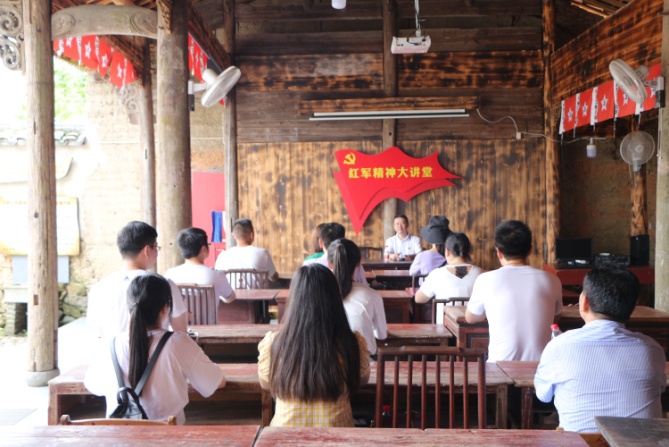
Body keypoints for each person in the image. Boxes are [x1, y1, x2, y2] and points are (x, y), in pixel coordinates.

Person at [534, 268, 666, 433]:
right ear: (632, 308)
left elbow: (543, 396)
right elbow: (660, 388)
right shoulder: (652, 349)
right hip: (641, 442)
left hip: (580, 443)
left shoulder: (559, 346)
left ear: (584, 302)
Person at [85, 274, 225, 425]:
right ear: (164, 309)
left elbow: (93, 385)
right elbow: (214, 383)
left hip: (119, 436)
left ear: (129, 309)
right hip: (167, 436)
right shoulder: (178, 343)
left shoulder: (111, 345)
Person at [258, 264, 370, 427]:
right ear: (335, 299)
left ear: (294, 300)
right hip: (338, 435)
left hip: (285, 435)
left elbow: (265, 384)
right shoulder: (352, 342)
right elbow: (362, 379)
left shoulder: (273, 342)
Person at [465, 220, 562, 362]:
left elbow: (470, 318)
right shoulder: (552, 280)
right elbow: (555, 317)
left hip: (499, 367)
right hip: (541, 367)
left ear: (499, 252)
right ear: (530, 250)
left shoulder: (485, 280)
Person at [87, 221, 188, 338]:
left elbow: (100, 334)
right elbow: (181, 332)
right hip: (157, 350)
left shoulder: (98, 288)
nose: (157, 252)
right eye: (156, 247)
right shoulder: (164, 284)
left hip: (114, 350)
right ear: (147, 250)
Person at [328, 238, 387, 355]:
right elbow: (381, 335)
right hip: (364, 361)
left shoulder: (320, 292)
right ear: (358, 263)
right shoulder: (372, 295)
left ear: (329, 264)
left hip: (328, 361)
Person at [164, 227, 235, 320]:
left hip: (180, 328)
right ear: (204, 249)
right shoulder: (216, 275)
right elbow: (230, 297)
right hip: (209, 328)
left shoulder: (169, 275)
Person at [415, 232, 484, 324]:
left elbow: (419, 298)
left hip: (444, 327)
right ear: (469, 251)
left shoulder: (436, 274)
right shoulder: (482, 274)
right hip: (473, 329)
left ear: (447, 252)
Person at [214, 218, 279, 284]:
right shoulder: (263, 253)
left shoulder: (222, 255)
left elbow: (217, 278)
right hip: (257, 291)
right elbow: (274, 277)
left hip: (229, 291)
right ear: (251, 234)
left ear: (233, 236)